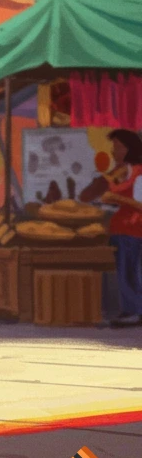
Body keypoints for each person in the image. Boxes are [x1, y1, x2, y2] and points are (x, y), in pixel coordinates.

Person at [102, 130, 142, 327]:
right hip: (122, 231)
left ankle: (134, 311)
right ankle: (131, 309)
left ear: (130, 149)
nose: (113, 151)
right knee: (126, 271)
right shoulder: (126, 171)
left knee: (129, 271)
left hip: (132, 230)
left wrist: (115, 198)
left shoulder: (139, 172)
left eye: (118, 147)